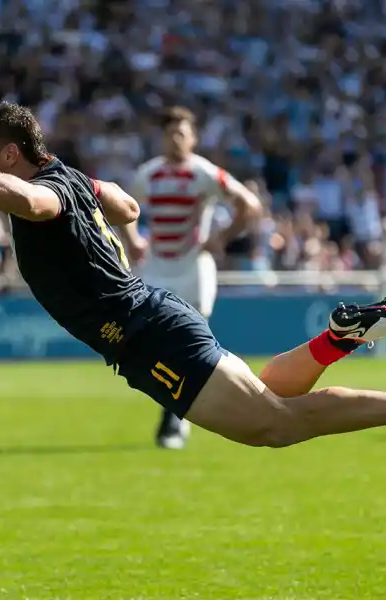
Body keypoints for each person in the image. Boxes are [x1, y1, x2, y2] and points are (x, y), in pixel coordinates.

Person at [0, 102, 386, 459]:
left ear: (10, 155)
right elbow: (128, 207)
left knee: (274, 427)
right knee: (271, 399)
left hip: (146, 334)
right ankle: (338, 338)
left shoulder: (40, 192)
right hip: (155, 316)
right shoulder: (70, 177)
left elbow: (31, 202)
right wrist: (95, 200)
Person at [120, 106, 261, 449]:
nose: (175, 139)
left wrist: (222, 238)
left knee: (188, 346)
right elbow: (122, 208)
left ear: (193, 138)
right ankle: (178, 412)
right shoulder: (149, 174)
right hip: (156, 269)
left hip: (193, 269)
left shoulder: (204, 173)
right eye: (170, 133)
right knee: (156, 348)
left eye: (181, 133)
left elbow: (250, 205)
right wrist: (133, 240)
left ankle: (174, 418)